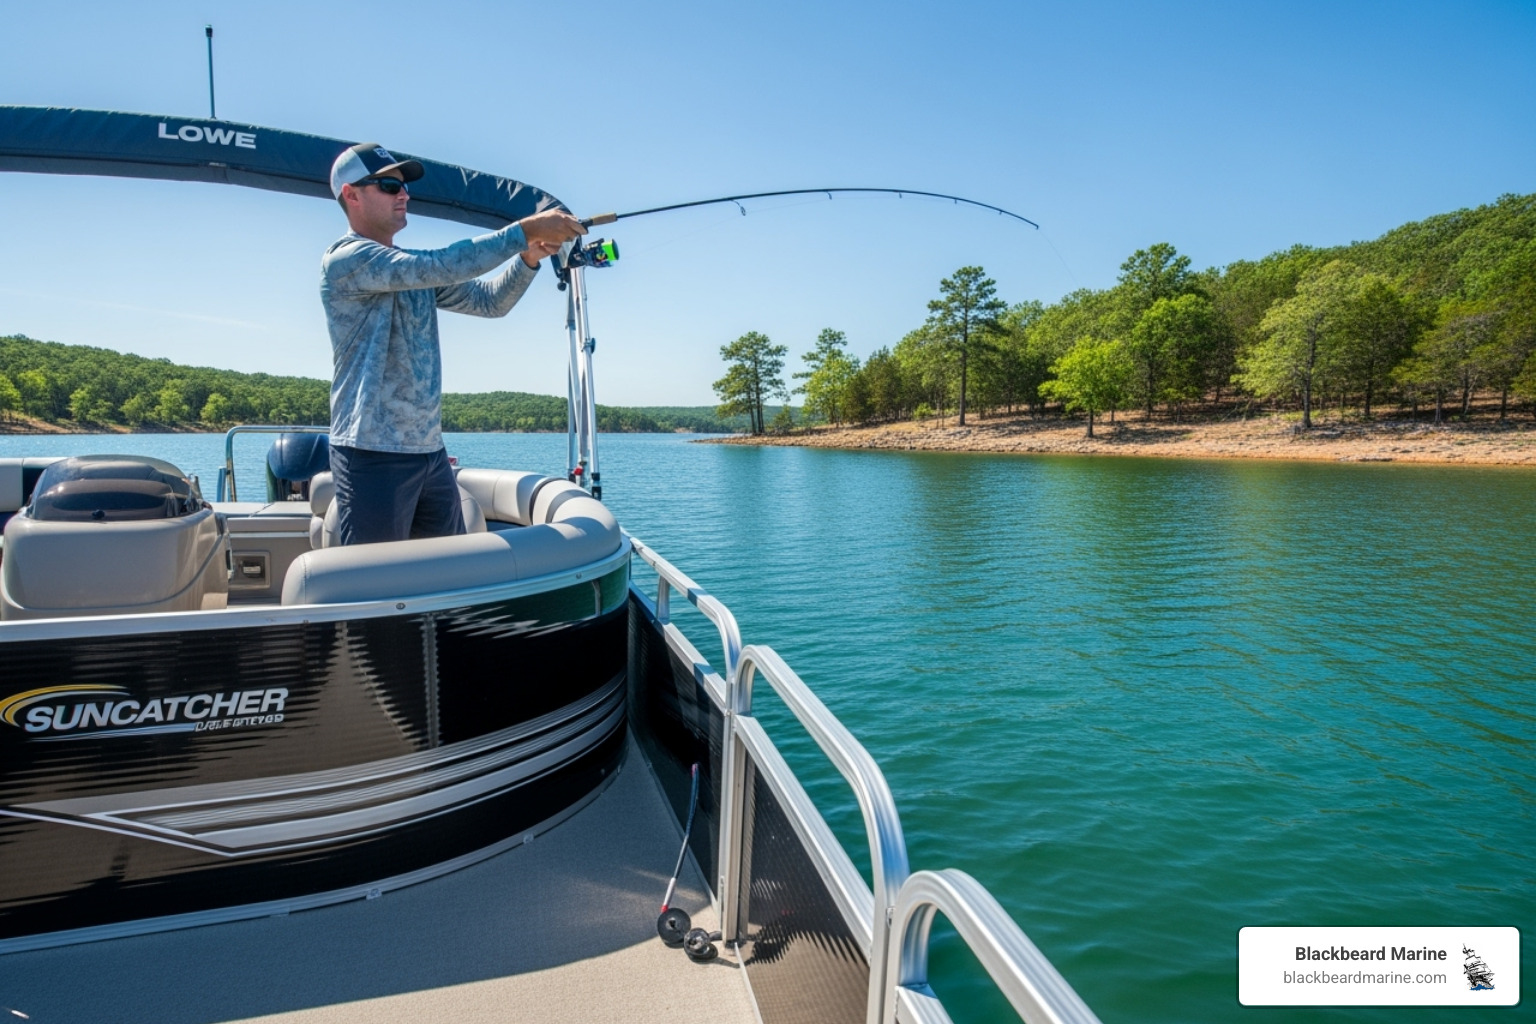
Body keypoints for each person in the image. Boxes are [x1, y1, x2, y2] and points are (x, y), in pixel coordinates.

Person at [320, 141, 582, 545]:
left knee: (447, 575)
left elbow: (490, 302)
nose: (404, 193)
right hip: (371, 453)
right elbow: (437, 265)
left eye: (404, 186)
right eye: (389, 186)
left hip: (429, 453)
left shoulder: (413, 274)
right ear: (351, 195)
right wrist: (524, 230)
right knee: (376, 586)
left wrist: (528, 258)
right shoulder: (347, 260)